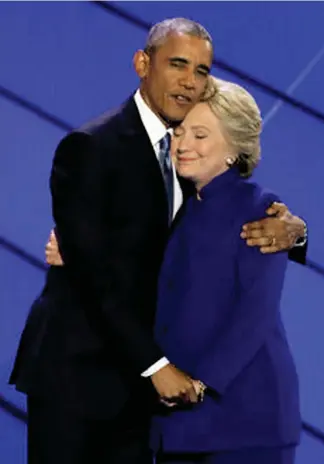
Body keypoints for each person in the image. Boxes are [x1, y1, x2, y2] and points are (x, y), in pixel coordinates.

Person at [10, 18, 306, 464]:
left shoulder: (194, 160)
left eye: (202, 71)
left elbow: (237, 220)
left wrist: (297, 233)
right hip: (81, 378)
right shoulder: (91, 147)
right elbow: (96, 274)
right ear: (142, 63)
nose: (190, 81)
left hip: (151, 397)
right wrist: (156, 367)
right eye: (178, 64)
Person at [151, 77, 300, 464]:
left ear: (234, 149)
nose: (183, 145)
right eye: (180, 131)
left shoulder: (261, 210)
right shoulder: (177, 204)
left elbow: (256, 313)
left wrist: (200, 385)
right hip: (176, 422)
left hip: (245, 420)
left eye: (200, 135)